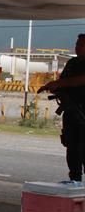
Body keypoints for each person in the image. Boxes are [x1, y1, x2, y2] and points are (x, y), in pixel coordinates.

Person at [38, 33, 85, 185]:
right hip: (71, 112)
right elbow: (62, 81)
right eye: (77, 44)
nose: (77, 47)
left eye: (81, 45)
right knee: (72, 150)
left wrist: (59, 84)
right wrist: (56, 88)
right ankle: (75, 182)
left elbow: (77, 80)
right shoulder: (72, 63)